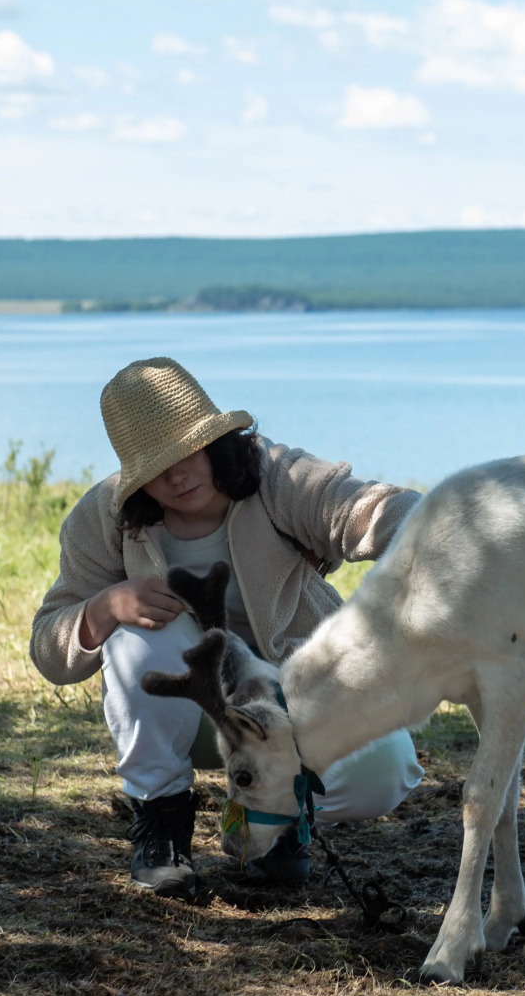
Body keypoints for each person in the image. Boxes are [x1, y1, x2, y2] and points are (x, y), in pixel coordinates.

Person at [30, 357, 424, 900]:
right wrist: (104, 607)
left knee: (387, 769)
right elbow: (48, 646)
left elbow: (358, 508)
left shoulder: (277, 477)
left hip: (297, 701)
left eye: (187, 450)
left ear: (215, 438)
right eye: (154, 465)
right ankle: (161, 822)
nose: (175, 475)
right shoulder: (104, 516)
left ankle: (268, 819)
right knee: (137, 635)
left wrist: (444, 527)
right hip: (189, 713)